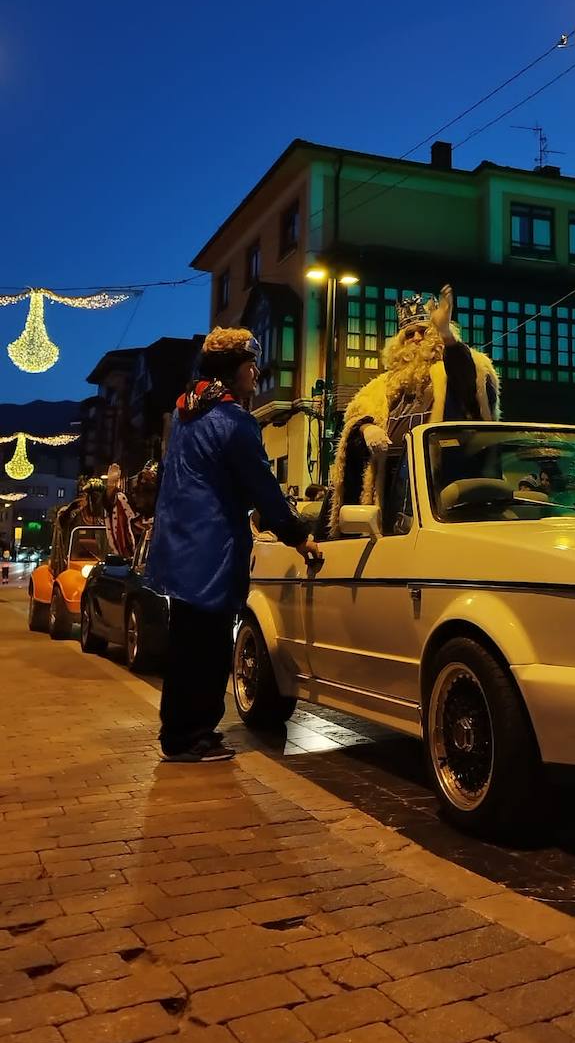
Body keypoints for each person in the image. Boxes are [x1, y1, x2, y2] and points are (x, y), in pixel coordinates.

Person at [146, 327, 322, 764]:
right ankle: (193, 738)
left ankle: (180, 733)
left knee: (186, 644)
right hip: (213, 548)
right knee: (207, 649)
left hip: (179, 545)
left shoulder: (186, 415)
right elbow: (262, 487)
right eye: (251, 365)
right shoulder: (233, 421)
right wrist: (299, 535)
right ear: (237, 370)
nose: (257, 373)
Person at [329, 285, 499, 525]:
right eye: (409, 334)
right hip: (388, 482)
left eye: (423, 331)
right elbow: (355, 417)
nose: (417, 338)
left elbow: (468, 383)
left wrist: (445, 334)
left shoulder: (458, 368)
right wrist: (367, 428)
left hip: (438, 482)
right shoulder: (381, 386)